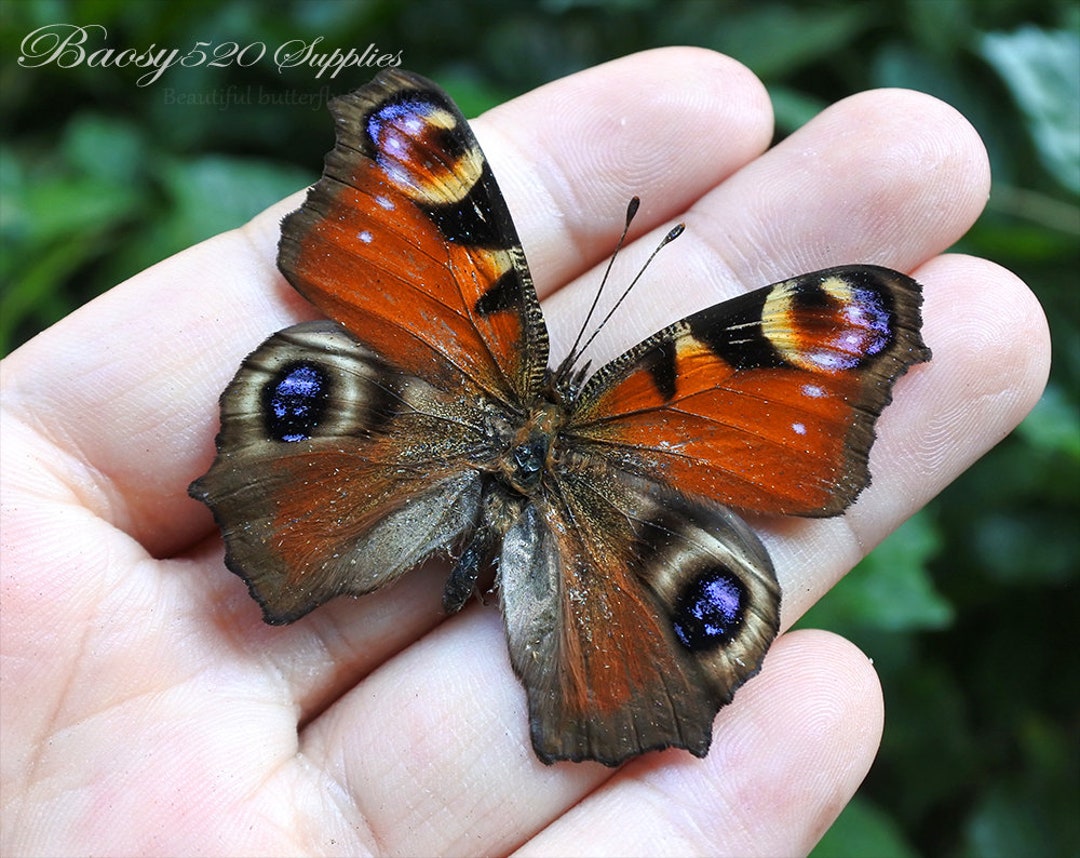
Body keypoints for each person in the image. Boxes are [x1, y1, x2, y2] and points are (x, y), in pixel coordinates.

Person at [0, 47, 1049, 856]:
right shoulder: (656, 397)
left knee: (333, 394)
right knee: (327, 392)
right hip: (588, 506)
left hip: (444, 435)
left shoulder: (493, 328)